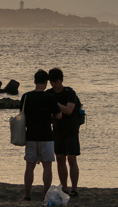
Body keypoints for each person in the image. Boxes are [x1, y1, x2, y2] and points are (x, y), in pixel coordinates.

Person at [20, 69, 62, 202]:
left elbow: (22, 114)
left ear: (34, 81)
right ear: (46, 83)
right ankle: (45, 195)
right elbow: (59, 115)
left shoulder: (26, 97)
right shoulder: (49, 98)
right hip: (46, 136)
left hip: (31, 135)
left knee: (29, 167)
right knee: (47, 167)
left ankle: (27, 195)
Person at [48, 68, 82, 198]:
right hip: (57, 130)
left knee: (72, 159)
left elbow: (68, 110)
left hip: (71, 129)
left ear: (61, 80)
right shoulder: (49, 93)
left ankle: (74, 189)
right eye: (51, 81)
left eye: (55, 81)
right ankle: (64, 187)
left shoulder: (69, 92)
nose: (53, 84)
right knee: (60, 158)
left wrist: (54, 103)